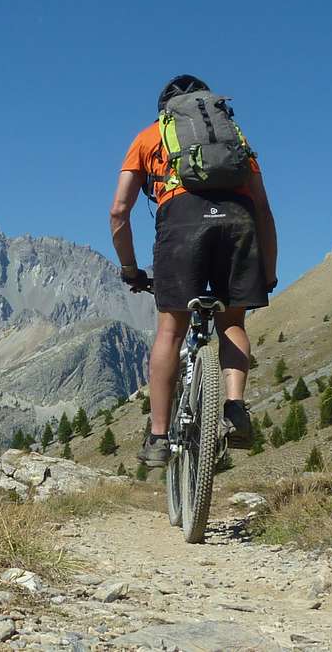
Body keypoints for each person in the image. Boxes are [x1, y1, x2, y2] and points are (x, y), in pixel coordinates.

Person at [108, 74, 278, 466]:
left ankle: (158, 438)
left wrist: (131, 269)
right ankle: (235, 409)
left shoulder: (148, 137)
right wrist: (267, 270)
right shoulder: (233, 137)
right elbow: (264, 210)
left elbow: (119, 211)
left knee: (170, 330)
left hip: (182, 223)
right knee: (233, 323)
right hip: (239, 222)